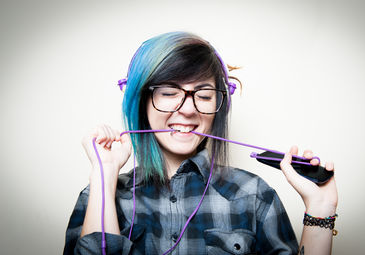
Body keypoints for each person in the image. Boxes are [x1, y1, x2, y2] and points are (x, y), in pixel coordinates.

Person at [63, 31, 338, 255]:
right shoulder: (99, 193)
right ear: (141, 102)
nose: (188, 109)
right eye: (169, 92)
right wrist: (105, 174)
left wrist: (320, 209)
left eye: (204, 96)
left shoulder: (254, 195)